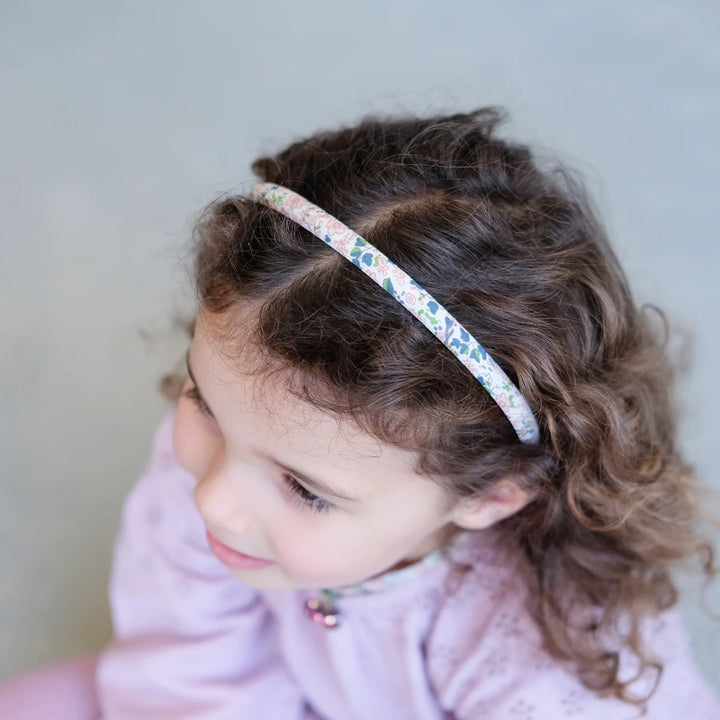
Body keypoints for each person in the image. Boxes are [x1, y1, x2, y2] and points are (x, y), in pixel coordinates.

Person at [1, 109, 718, 719]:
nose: (213, 499)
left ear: (491, 494)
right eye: (203, 403)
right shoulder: (240, 445)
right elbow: (183, 654)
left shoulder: (557, 650)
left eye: (305, 490)